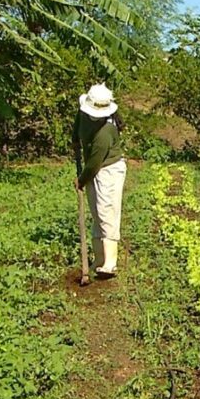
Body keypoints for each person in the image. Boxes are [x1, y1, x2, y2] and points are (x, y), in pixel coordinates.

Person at [72, 83, 127, 279]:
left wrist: (81, 180)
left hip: (109, 169)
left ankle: (110, 263)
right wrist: (75, 140)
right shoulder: (83, 111)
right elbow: (78, 124)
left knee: (107, 212)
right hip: (94, 166)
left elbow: (95, 163)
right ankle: (99, 259)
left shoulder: (105, 132)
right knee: (96, 212)